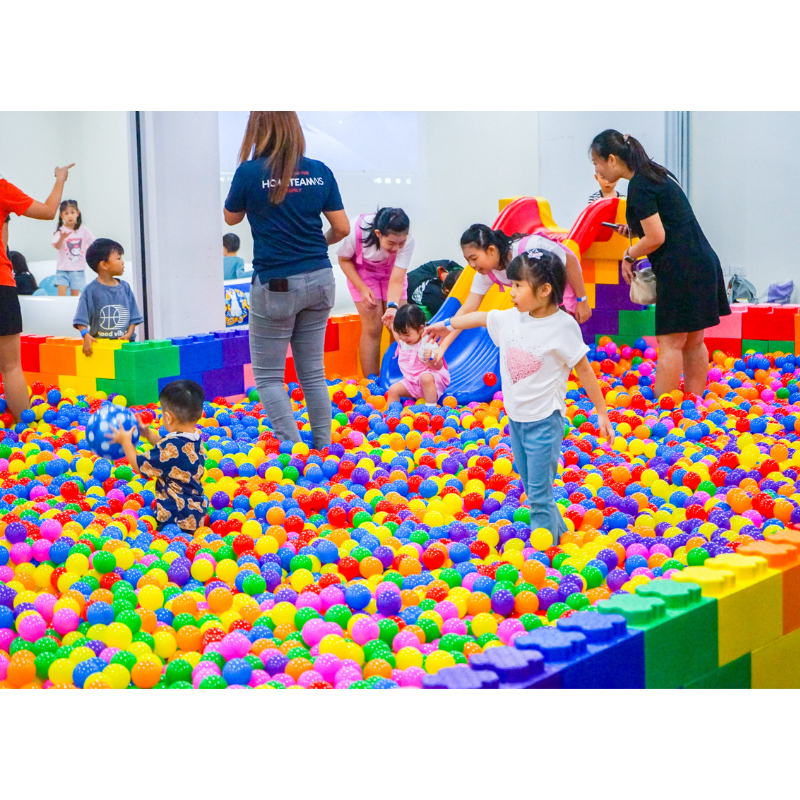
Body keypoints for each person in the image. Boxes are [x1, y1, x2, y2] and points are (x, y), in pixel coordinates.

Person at [426, 249, 612, 544]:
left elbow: (585, 371)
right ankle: (561, 536)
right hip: (516, 421)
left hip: (544, 424)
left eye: (517, 286)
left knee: (538, 496)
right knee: (532, 487)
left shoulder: (563, 327)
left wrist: (602, 412)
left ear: (545, 290)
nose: (509, 292)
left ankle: (546, 557)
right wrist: (446, 324)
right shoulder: (512, 318)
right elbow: (480, 317)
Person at [224, 111, 350, 449]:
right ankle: (324, 448)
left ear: (257, 130)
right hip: (321, 278)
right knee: (312, 373)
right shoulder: (320, 171)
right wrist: (314, 247)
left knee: (268, 377)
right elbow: (342, 228)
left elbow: (231, 218)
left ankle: (296, 450)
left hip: (276, 284)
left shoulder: (249, 173)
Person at [590, 129, 730, 397]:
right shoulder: (658, 173)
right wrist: (632, 231)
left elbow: (657, 236)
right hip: (701, 261)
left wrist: (629, 254)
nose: (597, 170)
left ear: (611, 159)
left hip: (681, 269)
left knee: (670, 343)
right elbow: (670, 221)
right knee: (693, 341)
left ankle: (664, 408)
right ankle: (693, 406)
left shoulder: (639, 185)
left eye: (596, 163)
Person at [431, 224, 591, 368]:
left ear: (492, 250)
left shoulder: (529, 248)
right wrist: (443, 345)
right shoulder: (486, 274)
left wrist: (582, 299)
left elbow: (569, 260)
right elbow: (468, 309)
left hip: (557, 296)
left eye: (474, 258)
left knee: (561, 347)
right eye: (468, 260)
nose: (472, 265)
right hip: (534, 308)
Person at [0, 163, 74, 422]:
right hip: (1, 283)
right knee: (10, 367)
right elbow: (49, 211)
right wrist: (60, 178)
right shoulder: (2, 188)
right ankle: (23, 430)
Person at [112, 379, 208, 532]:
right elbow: (172, 451)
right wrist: (149, 434)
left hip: (174, 521)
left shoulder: (170, 448)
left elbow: (138, 465)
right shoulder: (195, 439)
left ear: (168, 418)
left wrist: (126, 442)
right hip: (195, 516)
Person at [337, 208, 414, 377]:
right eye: (391, 243)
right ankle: (371, 381)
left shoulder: (406, 242)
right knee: (373, 328)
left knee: (399, 324)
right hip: (363, 274)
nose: (397, 248)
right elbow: (343, 260)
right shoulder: (357, 231)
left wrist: (392, 308)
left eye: (401, 243)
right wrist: (363, 289)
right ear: (378, 234)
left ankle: (399, 376)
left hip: (391, 274)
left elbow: (396, 279)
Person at [74, 239, 143, 356]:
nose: (123, 262)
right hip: (101, 347)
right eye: (118, 258)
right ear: (104, 265)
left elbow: (134, 317)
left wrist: (129, 334)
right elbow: (81, 319)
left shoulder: (125, 287)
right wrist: (86, 335)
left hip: (125, 346)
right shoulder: (90, 291)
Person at [386, 303, 450, 405]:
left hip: (432, 383)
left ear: (421, 329)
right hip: (412, 384)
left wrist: (432, 357)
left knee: (425, 377)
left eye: (407, 334)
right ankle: (391, 415)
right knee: (393, 389)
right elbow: (398, 336)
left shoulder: (428, 342)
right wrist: (390, 324)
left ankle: (430, 408)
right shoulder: (404, 341)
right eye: (400, 334)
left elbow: (439, 366)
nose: (403, 338)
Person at [52, 199, 94, 297]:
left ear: (77, 213)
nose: (70, 216)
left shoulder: (84, 230)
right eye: (66, 213)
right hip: (62, 269)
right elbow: (57, 247)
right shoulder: (61, 231)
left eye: (72, 212)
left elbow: (93, 243)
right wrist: (62, 238)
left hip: (78, 269)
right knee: (61, 296)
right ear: (61, 215)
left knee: (75, 296)